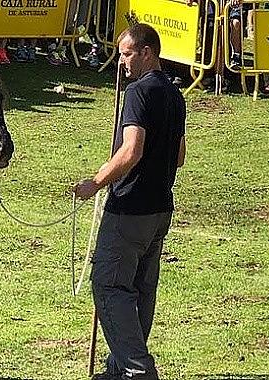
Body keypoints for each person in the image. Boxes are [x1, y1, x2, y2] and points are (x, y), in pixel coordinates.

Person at [73, 23, 186, 380]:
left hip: (130, 209)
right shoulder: (173, 94)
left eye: (126, 55)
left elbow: (131, 150)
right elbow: (180, 155)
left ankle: (137, 371)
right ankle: (117, 369)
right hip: (160, 210)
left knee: (108, 285)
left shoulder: (138, 92)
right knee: (139, 291)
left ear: (146, 52)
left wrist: (96, 182)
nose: (120, 62)